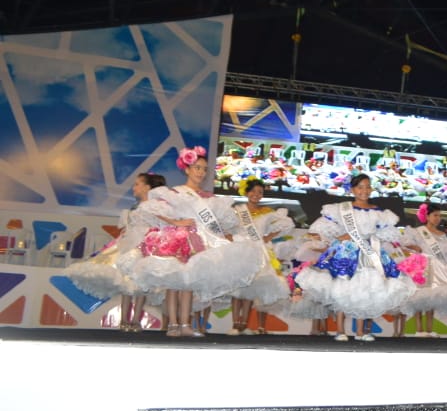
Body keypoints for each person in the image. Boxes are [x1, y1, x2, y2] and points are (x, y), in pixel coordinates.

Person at [133, 145, 263, 337]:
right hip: (178, 238)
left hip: (199, 240)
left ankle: (185, 324)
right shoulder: (175, 192)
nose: (201, 172)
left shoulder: (209, 197)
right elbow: (153, 209)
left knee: (189, 283)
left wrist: (224, 234)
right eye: (197, 168)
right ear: (187, 169)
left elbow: (220, 221)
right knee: (174, 282)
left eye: (204, 169)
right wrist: (177, 221)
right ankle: (173, 325)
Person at [294, 173, 415, 341]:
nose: (364, 190)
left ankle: (360, 332)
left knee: (364, 289)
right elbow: (324, 229)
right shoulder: (341, 209)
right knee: (343, 288)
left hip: (369, 252)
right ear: (352, 190)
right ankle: (340, 330)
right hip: (346, 252)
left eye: (367, 186)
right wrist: (339, 238)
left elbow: (385, 234)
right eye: (360, 187)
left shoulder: (380, 213)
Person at [66, 172, 167, 331]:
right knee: (125, 280)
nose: (134, 187)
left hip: (146, 245)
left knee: (141, 283)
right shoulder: (135, 207)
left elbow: (159, 226)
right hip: (129, 244)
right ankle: (124, 320)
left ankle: (135, 320)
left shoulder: (156, 207)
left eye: (137, 184)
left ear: (147, 187)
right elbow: (129, 228)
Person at [227, 177, 295, 335]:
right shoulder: (237, 210)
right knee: (237, 289)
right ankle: (235, 323)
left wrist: (268, 237)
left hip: (258, 251)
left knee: (250, 288)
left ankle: (243, 323)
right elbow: (226, 227)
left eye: (260, 192)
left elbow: (286, 224)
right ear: (247, 192)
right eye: (253, 191)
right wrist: (230, 237)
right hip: (240, 250)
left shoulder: (267, 212)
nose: (256, 194)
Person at [399, 201, 447, 338]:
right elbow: (405, 244)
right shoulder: (417, 232)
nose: (437, 218)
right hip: (421, 265)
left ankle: (428, 329)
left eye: (439, 215)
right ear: (427, 216)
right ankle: (418, 329)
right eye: (435, 215)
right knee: (419, 297)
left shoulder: (441, 234)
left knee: (432, 297)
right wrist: (414, 247)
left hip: (437, 267)